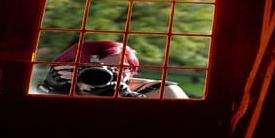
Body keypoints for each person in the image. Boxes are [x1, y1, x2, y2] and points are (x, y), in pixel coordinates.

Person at [35, 40, 190, 99]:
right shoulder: (63, 88)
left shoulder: (162, 90)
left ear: (131, 70)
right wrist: (49, 90)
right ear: (65, 69)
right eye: (89, 68)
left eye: (117, 68)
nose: (105, 74)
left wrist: (126, 98)